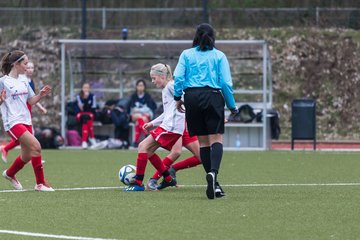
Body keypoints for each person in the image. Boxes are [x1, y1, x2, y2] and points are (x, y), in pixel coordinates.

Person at [173, 23, 238, 200]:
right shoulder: (219, 56)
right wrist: (232, 106)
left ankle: (214, 183)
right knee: (216, 139)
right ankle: (213, 174)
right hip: (212, 96)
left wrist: (178, 97)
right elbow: (225, 83)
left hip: (192, 97)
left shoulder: (186, 54)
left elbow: (178, 77)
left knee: (203, 143)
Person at [0, 50, 54, 191]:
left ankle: (9, 174)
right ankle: (40, 183)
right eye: (25, 63)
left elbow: (30, 101)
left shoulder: (24, 80)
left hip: (26, 120)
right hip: (12, 122)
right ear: (15, 64)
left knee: (27, 155)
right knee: (36, 146)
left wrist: (40, 95)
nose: (27, 66)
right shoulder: (3, 82)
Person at [123, 64, 180, 192]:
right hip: (169, 126)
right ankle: (169, 179)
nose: (153, 81)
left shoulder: (171, 86)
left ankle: (138, 183)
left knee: (143, 146)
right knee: (147, 151)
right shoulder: (166, 89)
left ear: (162, 76)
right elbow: (167, 112)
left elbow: (184, 98)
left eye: (154, 78)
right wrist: (152, 123)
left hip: (171, 127)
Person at [0, 61, 47, 163]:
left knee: (28, 143)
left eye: (31, 67)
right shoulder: (5, 81)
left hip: (26, 113)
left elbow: (30, 98)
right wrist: (2, 100)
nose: (29, 69)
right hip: (15, 117)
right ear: (17, 65)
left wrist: (40, 102)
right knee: (32, 142)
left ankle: (10, 172)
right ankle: (7, 149)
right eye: (26, 65)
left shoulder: (26, 81)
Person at [146, 123, 202, 191]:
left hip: (186, 126)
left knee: (201, 157)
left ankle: (173, 169)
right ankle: (153, 180)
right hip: (175, 124)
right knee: (176, 152)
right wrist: (152, 123)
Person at [127, 79, 157, 147]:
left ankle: (136, 142)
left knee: (139, 121)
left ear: (144, 87)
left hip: (145, 115)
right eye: (139, 85)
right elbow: (132, 109)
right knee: (140, 117)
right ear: (136, 87)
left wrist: (140, 112)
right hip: (136, 115)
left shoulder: (147, 96)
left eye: (142, 85)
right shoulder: (133, 96)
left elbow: (149, 109)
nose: (140, 87)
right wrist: (141, 113)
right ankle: (146, 135)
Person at [75, 82, 97, 149]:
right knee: (85, 117)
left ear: (89, 89)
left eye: (87, 88)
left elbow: (93, 108)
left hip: (89, 114)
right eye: (84, 88)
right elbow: (81, 108)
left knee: (86, 118)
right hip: (80, 114)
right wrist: (84, 99)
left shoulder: (93, 96)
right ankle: (92, 138)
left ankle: (84, 141)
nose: (86, 89)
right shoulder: (79, 96)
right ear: (82, 89)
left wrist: (87, 100)